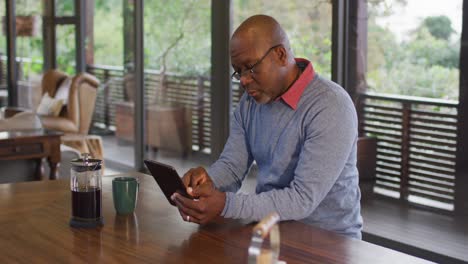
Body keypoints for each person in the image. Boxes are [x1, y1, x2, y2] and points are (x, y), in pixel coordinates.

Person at [171, 14, 363, 239]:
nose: (243, 80)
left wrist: (225, 204)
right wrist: (204, 184)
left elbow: (302, 199)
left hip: (330, 241)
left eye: (250, 68)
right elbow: (232, 166)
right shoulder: (250, 102)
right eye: (238, 71)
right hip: (270, 230)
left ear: (280, 55)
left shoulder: (330, 105)